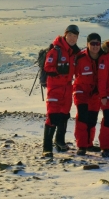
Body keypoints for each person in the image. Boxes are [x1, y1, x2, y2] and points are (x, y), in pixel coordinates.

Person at [42, 24, 81, 157]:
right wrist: (59, 70)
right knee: (52, 117)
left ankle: (59, 141)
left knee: (64, 115)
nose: (72, 38)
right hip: (55, 89)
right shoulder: (56, 50)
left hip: (67, 89)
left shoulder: (74, 52)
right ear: (65, 35)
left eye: (75, 36)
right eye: (70, 35)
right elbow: (47, 67)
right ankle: (47, 147)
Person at [72, 33, 103, 155]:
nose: (95, 46)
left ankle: (89, 144)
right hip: (81, 91)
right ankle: (81, 145)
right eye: (92, 43)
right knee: (82, 118)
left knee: (92, 119)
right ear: (87, 44)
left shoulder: (103, 57)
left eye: (97, 43)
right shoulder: (80, 58)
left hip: (95, 94)